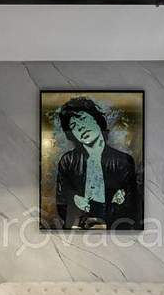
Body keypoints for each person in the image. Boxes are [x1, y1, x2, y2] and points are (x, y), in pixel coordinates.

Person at [55, 97, 138, 229]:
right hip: (77, 229)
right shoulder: (68, 161)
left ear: (96, 120)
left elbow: (133, 207)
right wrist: (74, 198)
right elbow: (61, 201)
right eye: (74, 126)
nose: (81, 128)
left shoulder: (123, 161)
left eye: (83, 119)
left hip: (116, 230)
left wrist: (119, 202)